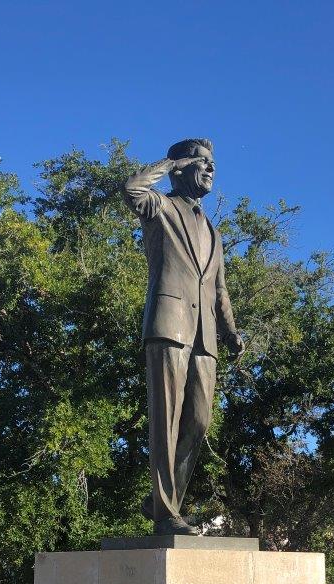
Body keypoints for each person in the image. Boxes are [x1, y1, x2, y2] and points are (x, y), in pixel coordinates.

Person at [123, 138, 244, 535]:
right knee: (166, 419)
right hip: (169, 324)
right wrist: (172, 161)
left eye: (213, 163)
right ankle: (166, 512)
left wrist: (230, 331)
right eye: (202, 162)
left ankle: (160, 501)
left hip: (205, 337)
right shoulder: (162, 208)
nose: (210, 169)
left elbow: (220, 290)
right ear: (182, 167)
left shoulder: (214, 231)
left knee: (198, 420)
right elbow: (132, 188)